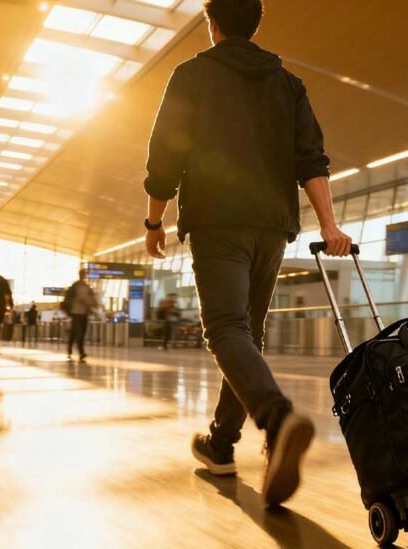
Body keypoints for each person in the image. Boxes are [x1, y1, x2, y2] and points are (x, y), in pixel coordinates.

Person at [143, 0, 352, 506]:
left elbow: (166, 153)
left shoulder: (192, 75)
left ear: (213, 26)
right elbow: (312, 159)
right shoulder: (288, 84)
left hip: (218, 221)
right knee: (246, 334)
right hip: (272, 225)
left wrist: (155, 220)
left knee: (226, 330)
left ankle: (278, 420)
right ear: (256, 25)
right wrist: (329, 223)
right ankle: (220, 445)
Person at [63, 269, 97, 362]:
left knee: (77, 332)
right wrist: (85, 301)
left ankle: (69, 348)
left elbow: (92, 297)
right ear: (80, 275)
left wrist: (93, 303)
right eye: (83, 274)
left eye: (85, 274)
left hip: (84, 313)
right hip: (75, 312)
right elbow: (75, 297)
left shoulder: (87, 286)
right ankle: (81, 352)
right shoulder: (75, 286)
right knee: (79, 333)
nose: (84, 276)